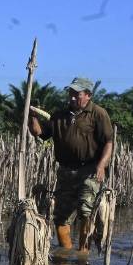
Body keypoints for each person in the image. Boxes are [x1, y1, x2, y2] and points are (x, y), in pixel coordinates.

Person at [28, 76, 114, 251]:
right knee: (61, 217)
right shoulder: (59, 116)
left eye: (77, 94)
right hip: (66, 171)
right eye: (70, 93)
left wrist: (101, 165)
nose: (72, 97)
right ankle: (66, 254)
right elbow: (38, 132)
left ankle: (83, 253)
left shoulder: (98, 113)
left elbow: (108, 143)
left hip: (89, 170)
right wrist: (33, 116)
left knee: (86, 212)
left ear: (88, 95)